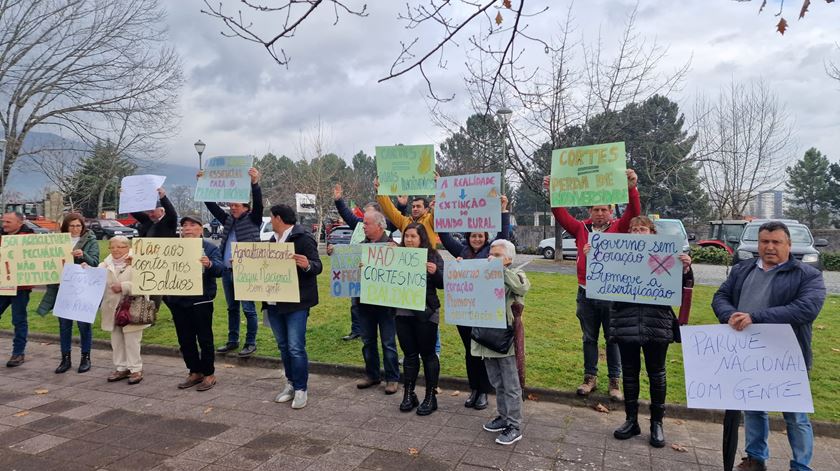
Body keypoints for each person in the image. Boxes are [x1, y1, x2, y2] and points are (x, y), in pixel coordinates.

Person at [712, 221, 826, 471]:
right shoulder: (743, 270)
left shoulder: (808, 275)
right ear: (758, 244)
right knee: (753, 409)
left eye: (776, 242)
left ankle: (801, 466)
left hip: (787, 356)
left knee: (795, 417)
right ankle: (755, 458)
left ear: (789, 245)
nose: (770, 247)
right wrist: (729, 315)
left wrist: (756, 317)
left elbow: (806, 309)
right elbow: (720, 297)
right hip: (749, 353)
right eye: (765, 242)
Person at [588, 216, 692, 448]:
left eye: (643, 229)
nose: (638, 233)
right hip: (626, 321)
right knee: (630, 373)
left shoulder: (666, 255)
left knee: (657, 374)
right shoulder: (620, 257)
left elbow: (682, 289)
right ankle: (631, 420)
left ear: (652, 233)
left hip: (657, 322)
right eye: (634, 229)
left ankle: (657, 423)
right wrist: (592, 255)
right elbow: (601, 280)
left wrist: (684, 269)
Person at [543, 170, 640, 400]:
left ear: (610, 211)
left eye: (604, 209)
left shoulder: (620, 227)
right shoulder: (581, 229)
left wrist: (631, 188)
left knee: (613, 337)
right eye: (595, 210)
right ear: (589, 211)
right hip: (585, 292)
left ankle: (614, 382)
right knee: (589, 337)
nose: (599, 213)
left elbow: (634, 212)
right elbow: (560, 213)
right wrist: (552, 191)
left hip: (611, 293)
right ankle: (590, 378)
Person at [437, 195, 512, 410]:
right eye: (473, 236)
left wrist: (503, 210)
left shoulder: (492, 252)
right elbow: (443, 234)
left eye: (480, 236)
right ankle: (474, 389)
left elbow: (503, 235)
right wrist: (441, 208)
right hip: (464, 312)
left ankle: (484, 392)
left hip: (485, 312)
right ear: (468, 236)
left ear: (485, 237)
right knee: (470, 352)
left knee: (483, 353)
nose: (477, 239)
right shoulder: (461, 252)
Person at [264, 204, 322, 410]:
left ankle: (300, 389)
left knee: (295, 347)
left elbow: (318, 266)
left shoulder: (303, 238)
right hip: (274, 303)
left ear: (278, 218)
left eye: (271, 218)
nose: (270, 221)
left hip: (296, 303)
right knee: (283, 346)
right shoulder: (272, 241)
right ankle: (290, 383)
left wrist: (307, 265)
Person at [201, 167, 264, 357]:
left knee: (248, 309)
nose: (232, 208)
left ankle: (250, 342)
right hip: (228, 272)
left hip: (246, 272)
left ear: (246, 208)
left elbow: (259, 203)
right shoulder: (228, 220)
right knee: (231, 308)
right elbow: (212, 206)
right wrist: (202, 185)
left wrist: (255, 183)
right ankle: (232, 340)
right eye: (231, 205)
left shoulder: (254, 219)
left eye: (236, 205)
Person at [475, 239, 530, 445]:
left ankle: (514, 425)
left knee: (511, 383)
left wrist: (500, 270)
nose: (491, 257)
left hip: (505, 338)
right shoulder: (484, 273)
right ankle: (503, 416)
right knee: (497, 381)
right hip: (486, 335)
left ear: (508, 259)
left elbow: (520, 288)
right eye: (491, 254)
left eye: (497, 255)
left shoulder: (517, 274)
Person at [332, 183, 399, 341]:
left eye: (369, 216)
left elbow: (397, 217)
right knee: (356, 304)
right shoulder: (360, 225)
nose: (364, 221)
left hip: (382, 288)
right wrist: (338, 200)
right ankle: (357, 329)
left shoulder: (388, 226)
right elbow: (347, 215)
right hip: (361, 277)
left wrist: (401, 205)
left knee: (386, 337)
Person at [162, 216, 223, 392]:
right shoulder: (173, 247)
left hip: (201, 300)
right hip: (177, 299)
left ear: (200, 229)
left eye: (192, 225)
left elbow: (220, 270)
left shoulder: (209, 247)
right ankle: (194, 371)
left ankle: (209, 373)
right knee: (185, 339)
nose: (188, 228)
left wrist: (209, 264)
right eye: (185, 225)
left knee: (204, 338)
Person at [37, 214, 100, 374]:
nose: (75, 229)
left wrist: (83, 256)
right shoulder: (58, 241)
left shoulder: (90, 240)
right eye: (71, 226)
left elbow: (95, 262)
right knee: (64, 325)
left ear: (82, 226)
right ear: (66, 226)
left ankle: (85, 357)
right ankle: (65, 358)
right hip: (62, 288)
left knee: (83, 325)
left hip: (82, 287)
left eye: (78, 226)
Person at [394, 223, 444, 415]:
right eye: (406, 236)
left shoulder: (432, 256)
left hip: (426, 312)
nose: (409, 240)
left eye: (413, 236)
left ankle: (431, 397)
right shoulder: (396, 256)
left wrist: (435, 273)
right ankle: (409, 393)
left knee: (428, 354)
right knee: (409, 354)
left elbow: (443, 283)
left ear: (421, 238)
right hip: (402, 312)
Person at [355, 211, 400, 394]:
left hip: (386, 304)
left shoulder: (393, 247)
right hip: (364, 303)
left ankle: (392, 378)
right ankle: (372, 375)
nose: (363, 226)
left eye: (366, 223)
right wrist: (336, 254)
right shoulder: (360, 247)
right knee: (368, 341)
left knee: (388, 341)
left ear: (380, 226)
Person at [98, 236, 151, 384]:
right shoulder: (104, 264)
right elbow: (93, 279)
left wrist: (124, 286)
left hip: (132, 307)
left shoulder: (138, 261)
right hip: (112, 308)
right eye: (113, 247)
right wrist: (84, 269)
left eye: (120, 247)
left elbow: (146, 283)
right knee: (116, 339)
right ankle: (121, 367)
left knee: (132, 340)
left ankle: (135, 369)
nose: (116, 250)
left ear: (127, 247)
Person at [0, 212, 34, 367]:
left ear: (20, 223)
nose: (4, 224)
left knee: (18, 319)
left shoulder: (32, 239)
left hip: (21, 286)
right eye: (3, 221)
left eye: (8, 221)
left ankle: (18, 353)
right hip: (2, 284)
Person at [374, 177, 438, 245]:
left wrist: (439, 185)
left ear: (426, 209)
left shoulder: (431, 221)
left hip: (428, 255)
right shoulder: (405, 222)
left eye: (418, 206)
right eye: (413, 206)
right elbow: (390, 210)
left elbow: (439, 211)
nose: (415, 209)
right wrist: (380, 191)